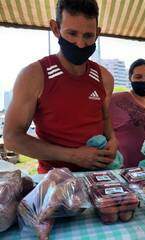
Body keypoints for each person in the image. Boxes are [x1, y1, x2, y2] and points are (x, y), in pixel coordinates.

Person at [3, 0, 118, 173]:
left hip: (100, 177)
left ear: (98, 33)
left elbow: (105, 118)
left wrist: (113, 140)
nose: (80, 44)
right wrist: (72, 156)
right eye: (72, 33)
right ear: (56, 29)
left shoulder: (105, 78)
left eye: (88, 36)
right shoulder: (34, 76)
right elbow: (12, 138)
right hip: (55, 181)